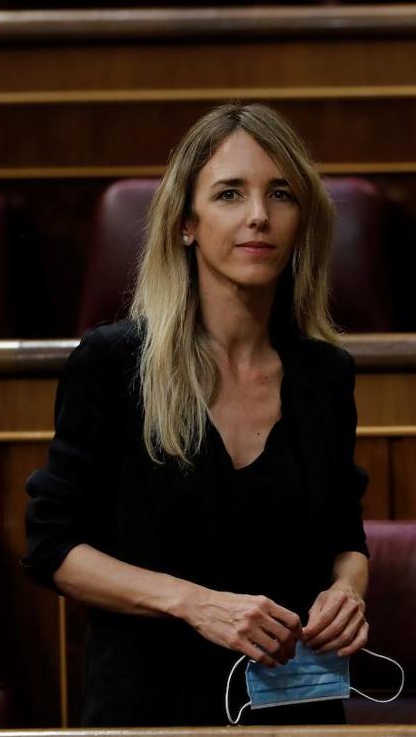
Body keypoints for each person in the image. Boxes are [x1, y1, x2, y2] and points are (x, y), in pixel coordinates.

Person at [23, 103, 370, 726]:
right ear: (186, 222)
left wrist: (348, 590)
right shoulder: (113, 363)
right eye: (231, 194)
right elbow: (53, 547)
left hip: (294, 706)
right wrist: (194, 603)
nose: (258, 216)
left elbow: (345, 538)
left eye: (281, 194)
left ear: (301, 222)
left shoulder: (325, 374)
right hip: (148, 708)